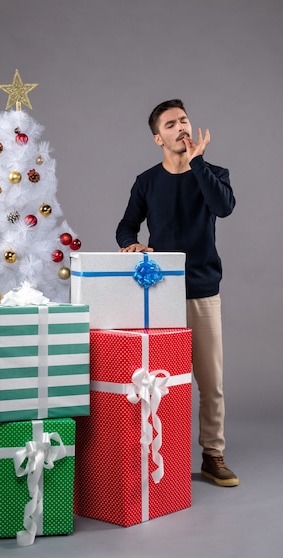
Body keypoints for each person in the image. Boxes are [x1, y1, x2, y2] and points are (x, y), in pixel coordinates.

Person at [116, 99, 239, 487]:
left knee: (210, 381)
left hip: (202, 290)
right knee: (160, 382)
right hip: (159, 293)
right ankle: (160, 458)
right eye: (171, 124)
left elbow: (224, 207)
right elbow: (126, 226)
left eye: (184, 120)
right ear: (158, 137)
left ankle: (212, 455)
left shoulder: (213, 173)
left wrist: (198, 162)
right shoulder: (146, 181)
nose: (181, 127)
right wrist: (131, 245)